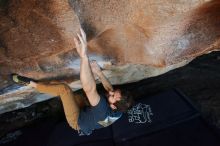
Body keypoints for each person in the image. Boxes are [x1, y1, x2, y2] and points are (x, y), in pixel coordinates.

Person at [12, 28, 134, 135]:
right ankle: (60, 96)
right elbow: (110, 89)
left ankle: (32, 84)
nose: (111, 92)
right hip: (87, 110)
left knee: (64, 89)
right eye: (115, 92)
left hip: (77, 121)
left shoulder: (102, 108)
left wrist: (84, 56)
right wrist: (99, 72)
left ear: (112, 106)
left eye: (112, 96)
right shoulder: (120, 110)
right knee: (71, 95)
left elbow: (89, 88)